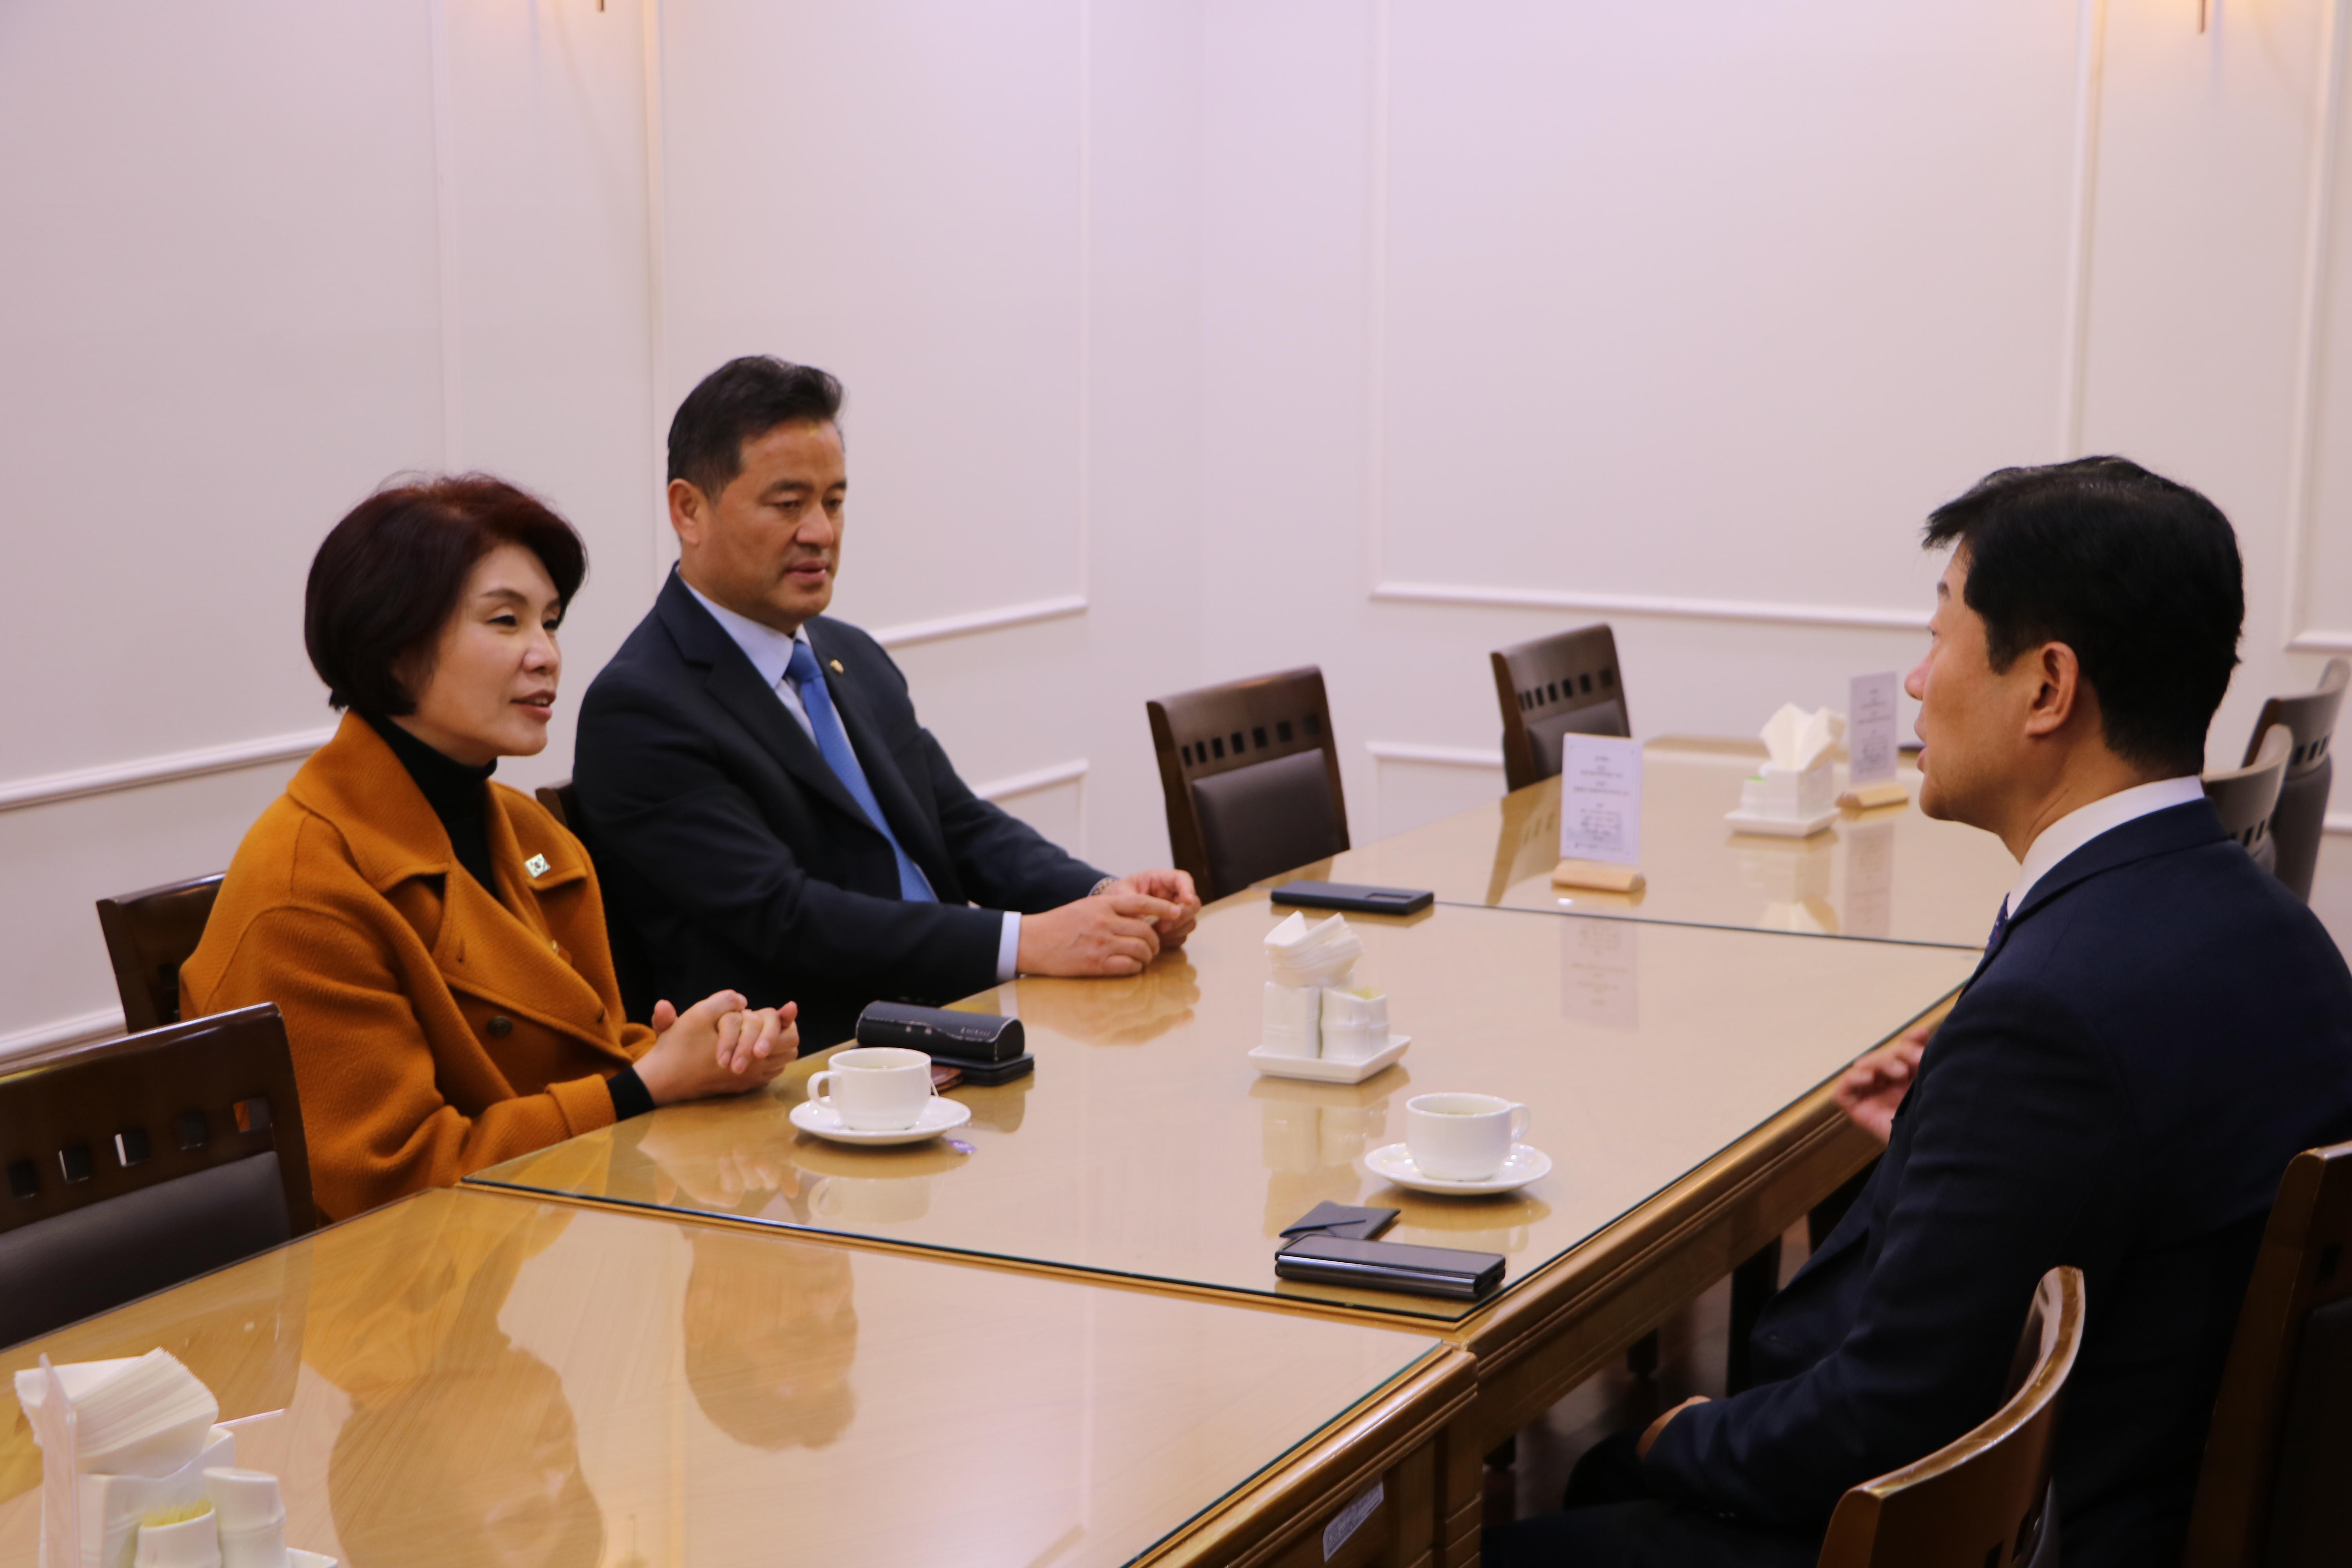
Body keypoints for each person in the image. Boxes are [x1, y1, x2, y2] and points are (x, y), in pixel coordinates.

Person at [1486, 457, 2352, 1568]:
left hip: (2032, 1530)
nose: (1914, 679)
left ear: (2047, 687)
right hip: (2155, 1480)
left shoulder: (2054, 1014)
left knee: (1563, 1505)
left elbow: (1886, 1420)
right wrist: (1961, 1138)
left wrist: (1676, 1431)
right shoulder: (2281, 931)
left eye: (1940, 634)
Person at [181, 476, 796, 1222]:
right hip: (401, 1277)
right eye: (506, 622)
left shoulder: (533, 834)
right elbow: (392, 1185)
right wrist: (647, 1083)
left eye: (551, 623)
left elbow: (593, 1053)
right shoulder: (305, 887)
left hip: (560, 1237)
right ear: (394, 646)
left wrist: (712, 1051)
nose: (546, 656)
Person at [575, 356, 1202, 1047]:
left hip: (960, 1022)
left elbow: (960, 824)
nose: (821, 532)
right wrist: (1027, 941)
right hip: (817, 1064)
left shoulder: (850, 653)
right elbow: (787, 916)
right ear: (688, 510)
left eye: (834, 502)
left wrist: (1105, 898)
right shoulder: (639, 708)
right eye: (788, 504)